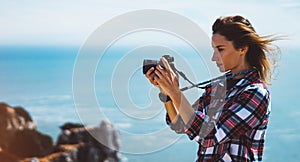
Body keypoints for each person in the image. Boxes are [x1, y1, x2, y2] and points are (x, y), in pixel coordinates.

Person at [145, 15, 279, 161]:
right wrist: (167, 94)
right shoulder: (219, 88)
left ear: (242, 48)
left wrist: (175, 93)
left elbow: (211, 135)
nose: (214, 58)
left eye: (220, 49)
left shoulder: (255, 94)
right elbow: (180, 123)